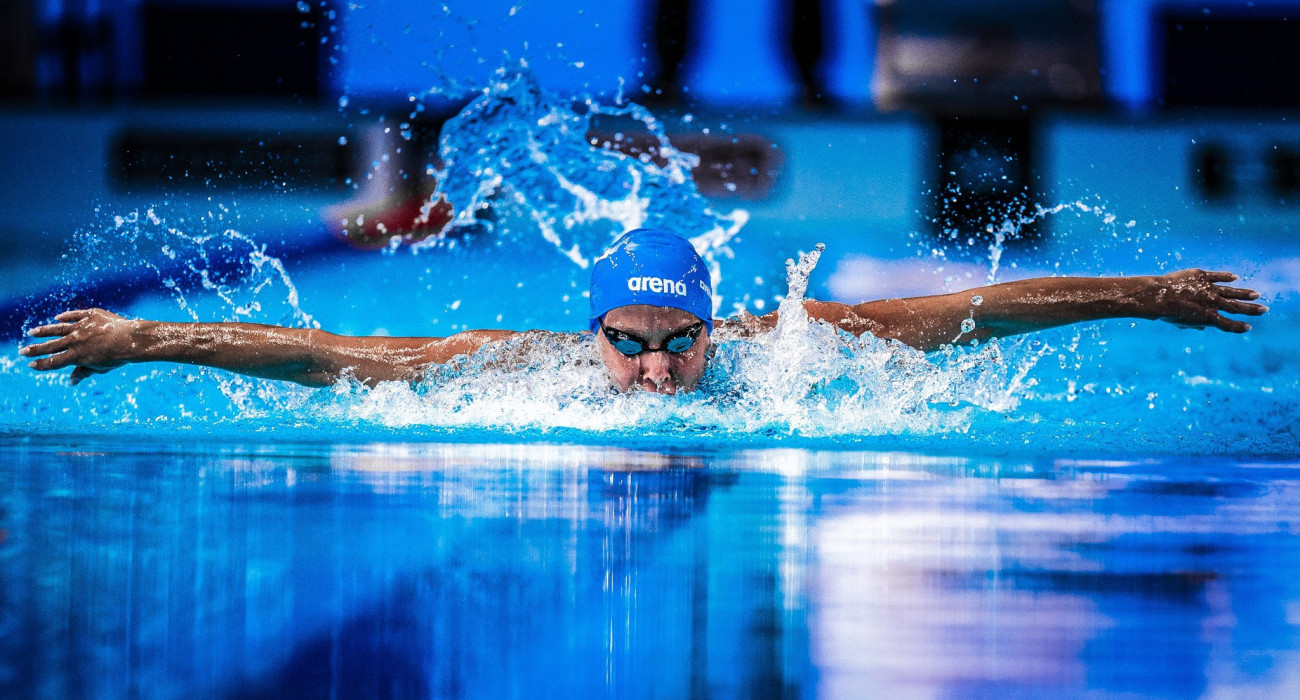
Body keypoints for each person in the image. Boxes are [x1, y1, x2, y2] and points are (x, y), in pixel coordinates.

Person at [18, 228, 1267, 395]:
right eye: (632, 344)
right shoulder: (518, 366)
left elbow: (980, 309)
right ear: (593, 330)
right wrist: (140, 336)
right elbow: (332, 350)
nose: (659, 373)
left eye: (681, 343)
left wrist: (1142, 294)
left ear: (716, 330)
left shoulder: (796, 350)